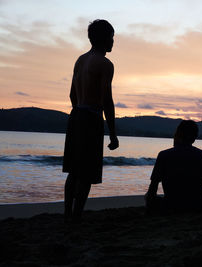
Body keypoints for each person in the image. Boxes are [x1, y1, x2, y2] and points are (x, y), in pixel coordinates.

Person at [63, 19, 119, 222]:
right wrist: (112, 132)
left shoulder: (80, 60)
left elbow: (72, 95)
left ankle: (68, 214)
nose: (113, 41)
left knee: (74, 170)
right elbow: (107, 100)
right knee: (86, 172)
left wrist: (79, 111)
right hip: (91, 117)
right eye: (112, 37)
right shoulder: (105, 64)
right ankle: (76, 216)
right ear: (105, 38)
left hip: (76, 114)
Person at [145, 120, 202, 213]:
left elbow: (153, 188)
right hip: (198, 207)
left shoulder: (163, 155)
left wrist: (150, 206)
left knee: (149, 197)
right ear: (195, 137)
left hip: (171, 207)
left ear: (178, 133)